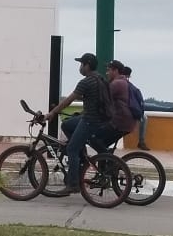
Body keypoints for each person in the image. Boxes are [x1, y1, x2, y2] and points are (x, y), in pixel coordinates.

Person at [42, 52, 117, 193]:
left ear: (87, 65)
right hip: (99, 120)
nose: (80, 67)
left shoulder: (86, 81)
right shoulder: (100, 79)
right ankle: (80, 156)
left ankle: (73, 184)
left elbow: (69, 99)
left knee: (71, 149)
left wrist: (53, 113)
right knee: (66, 125)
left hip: (90, 121)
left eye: (81, 64)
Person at [121, 65, 148, 150]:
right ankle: (141, 141)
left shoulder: (121, 83)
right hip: (133, 106)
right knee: (151, 109)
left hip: (133, 105)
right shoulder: (128, 85)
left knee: (151, 107)